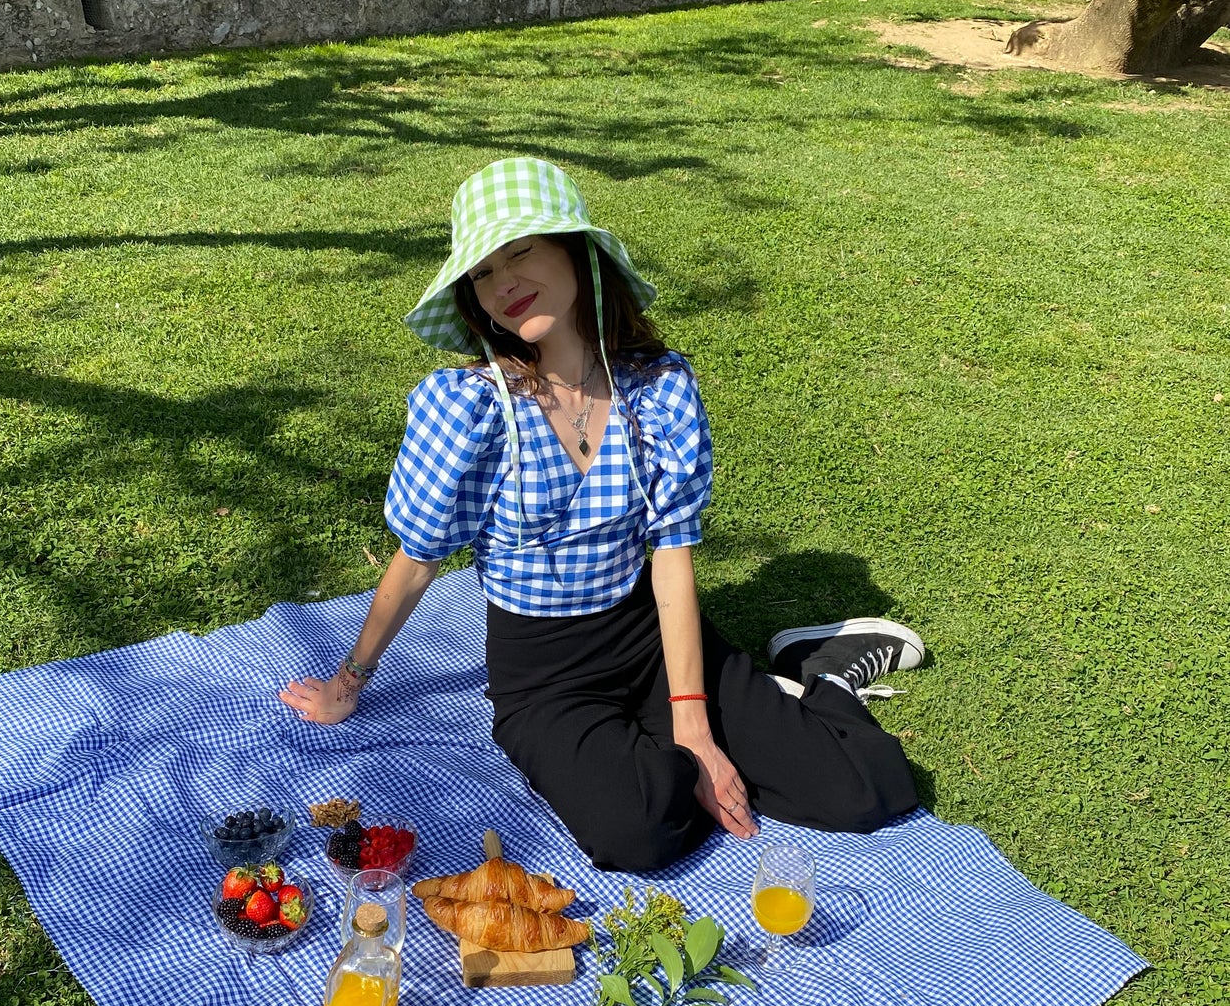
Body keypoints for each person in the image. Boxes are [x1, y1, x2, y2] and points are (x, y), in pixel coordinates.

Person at [280, 158, 922, 871]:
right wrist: (349, 680)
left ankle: (822, 672)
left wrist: (693, 725)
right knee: (638, 832)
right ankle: (684, 751)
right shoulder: (472, 408)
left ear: (577, 253)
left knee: (870, 790)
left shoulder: (656, 389)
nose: (505, 283)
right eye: (484, 272)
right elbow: (420, 557)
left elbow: (670, 552)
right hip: (544, 676)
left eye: (520, 251)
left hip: (651, 638)